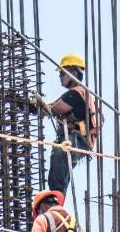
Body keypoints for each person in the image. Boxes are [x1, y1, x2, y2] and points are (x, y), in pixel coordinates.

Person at [27, 54, 98, 196]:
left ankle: (55, 202)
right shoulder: (81, 92)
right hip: (80, 141)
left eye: (62, 73)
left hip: (74, 140)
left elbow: (52, 110)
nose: (60, 76)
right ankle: (57, 200)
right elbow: (50, 107)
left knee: (57, 178)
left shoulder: (75, 94)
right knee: (61, 177)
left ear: (73, 73)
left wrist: (31, 106)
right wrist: (35, 107)